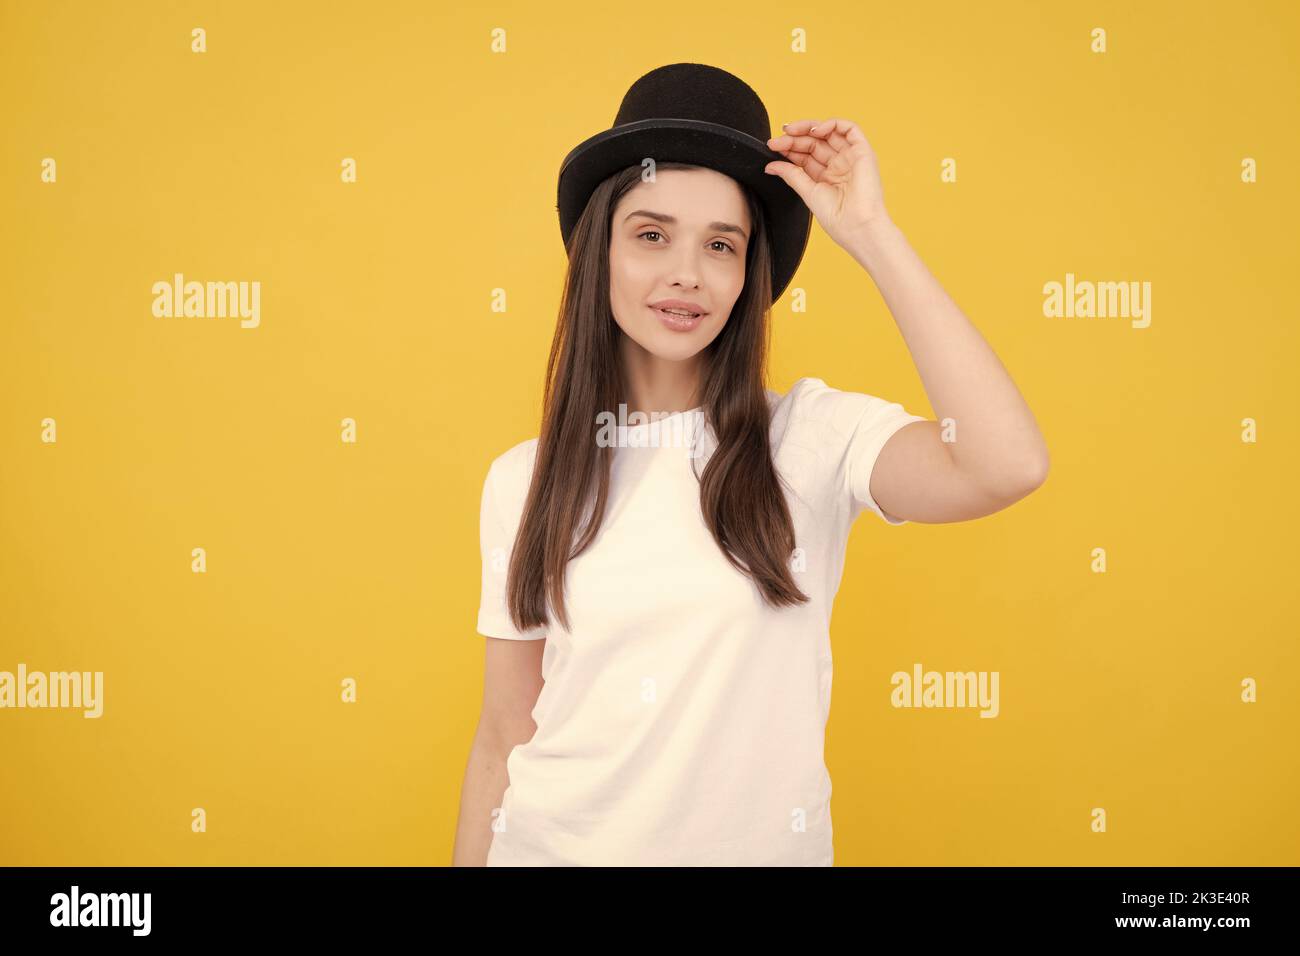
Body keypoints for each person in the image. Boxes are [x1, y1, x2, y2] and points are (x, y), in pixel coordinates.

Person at [452, 63, 1049, 867]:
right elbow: (502, 738)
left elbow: (1004, 465)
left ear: (747, 277)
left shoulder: (813, 436)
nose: (687, 273)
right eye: (652, 234)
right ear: (601, 252)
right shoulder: (521, 480)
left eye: (722, 245)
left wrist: (871, 233)